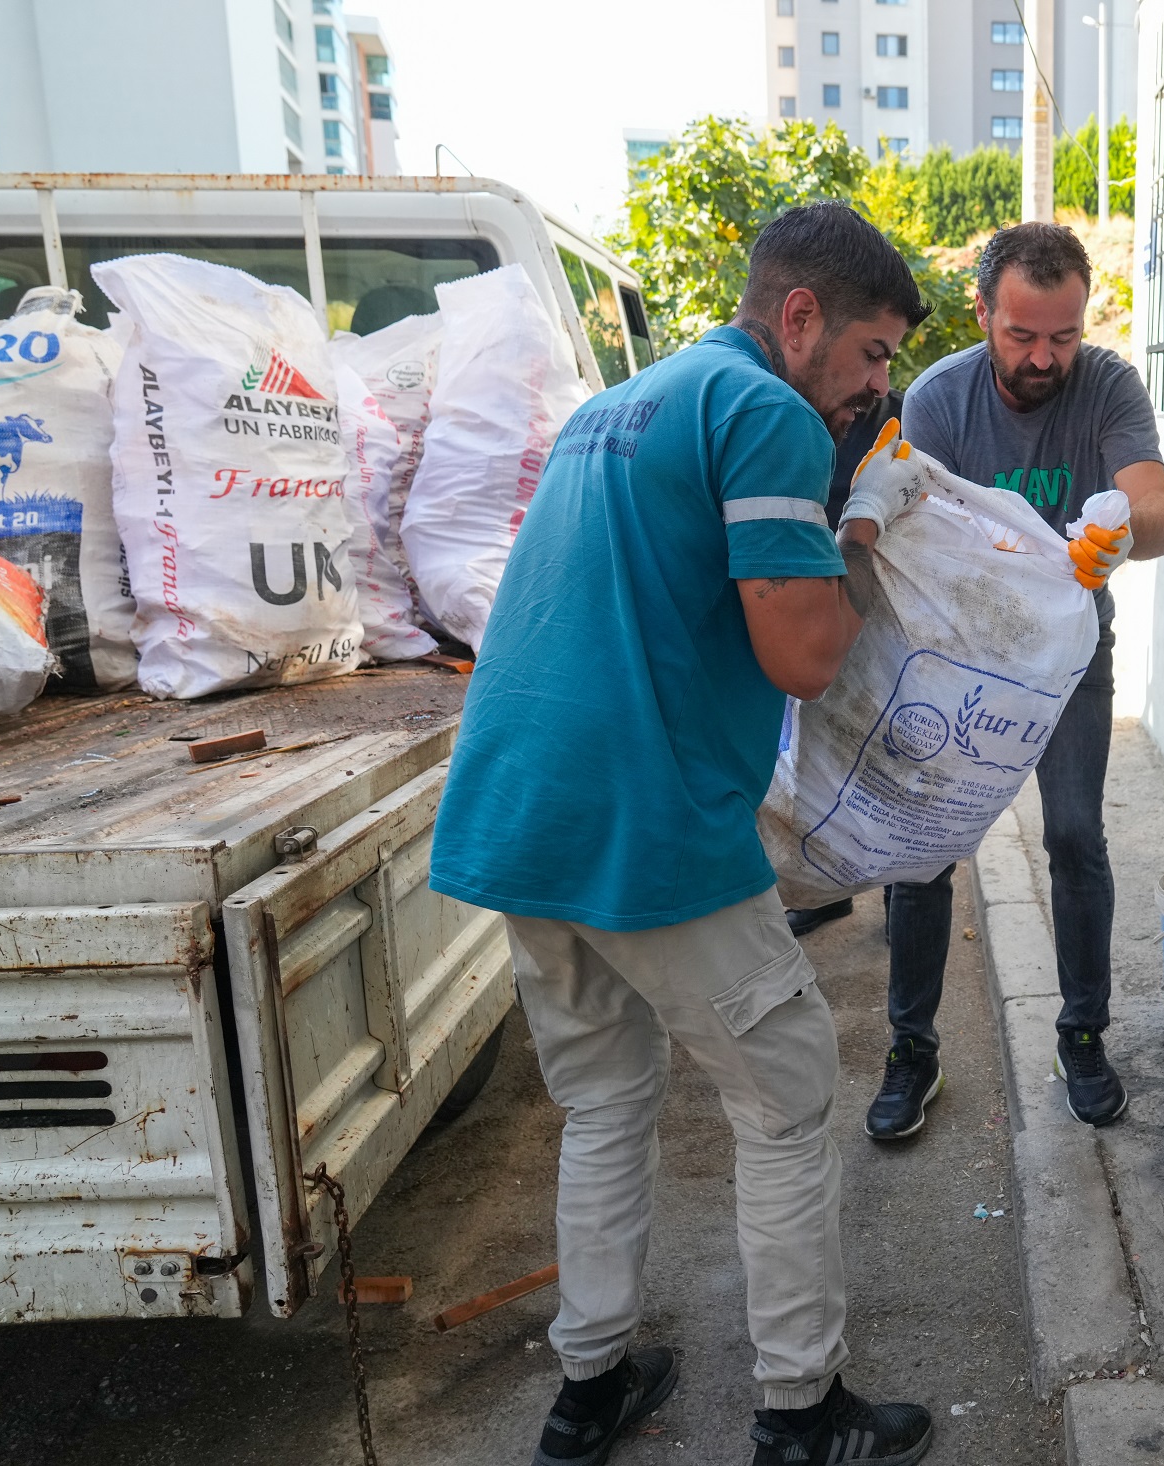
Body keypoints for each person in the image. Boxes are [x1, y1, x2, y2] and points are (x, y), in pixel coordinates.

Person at [428, 201, 938, 1466]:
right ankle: (799, 1411)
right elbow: (806, 655)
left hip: (517, 810)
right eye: (873, 356)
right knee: (785, 1092)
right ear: (801, 316)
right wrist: (862, 520)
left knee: (605, 1098)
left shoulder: (624, 399)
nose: (877, 387)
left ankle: (587, 1390)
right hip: (640, 818)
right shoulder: (762, 406)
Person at [864, 221, 1164, 1142]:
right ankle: (910, 1051)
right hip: (957, 658)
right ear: (983, 313)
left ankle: (1082, 1034)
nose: (1045, 359)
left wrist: (1122, 529)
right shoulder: (935, 401)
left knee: (1078, 837)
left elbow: (1162, 508)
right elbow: (900, 525)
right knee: (922, 853)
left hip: (1068, 660)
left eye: (1064, 336)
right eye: (1022, 336)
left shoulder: (1109, 385)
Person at [784, 385, 907, 942]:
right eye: (870, 356)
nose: (876, 377)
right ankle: (824, 888)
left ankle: (893, 888)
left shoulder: (900, 416)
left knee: (886, 753)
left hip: (881, 606)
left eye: (884, 358)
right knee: (816, 752)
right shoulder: (794, 412)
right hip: (810, 600)